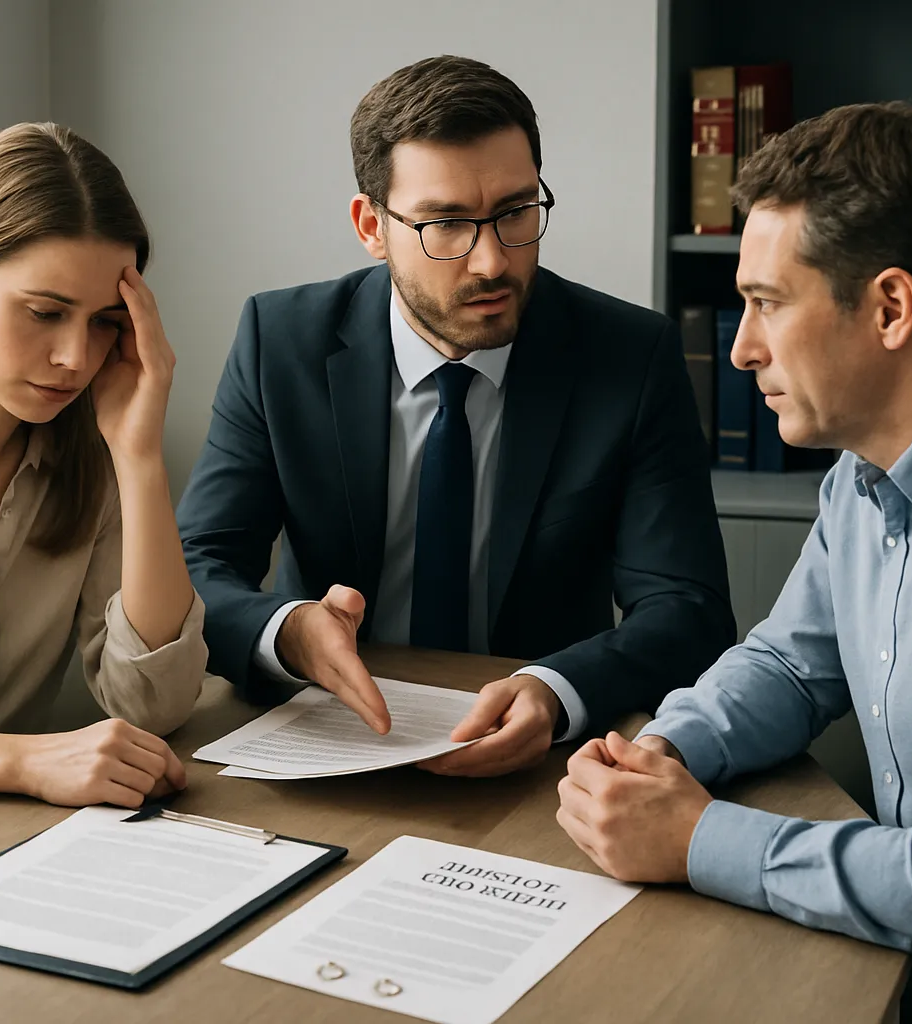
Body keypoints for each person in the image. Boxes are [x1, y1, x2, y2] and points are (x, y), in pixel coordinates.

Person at [178, 55, 734, 777]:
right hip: (324, 737)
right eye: (445, 224)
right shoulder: (281, 342)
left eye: (515, 212)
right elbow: (202, 564)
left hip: (539, 757)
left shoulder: (629, 356)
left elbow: (687, 608)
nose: (490, 263)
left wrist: (556, 689)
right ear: (370, 227)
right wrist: (286, 635)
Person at [555, 101, 912, 1017]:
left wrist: (702, 840)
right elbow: (790, 665)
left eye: (766, 304)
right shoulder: (859, 479)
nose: (739, 348)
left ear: (888, 307)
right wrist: (657, 755)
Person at [0, 123, 208, 808]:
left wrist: (138, 458)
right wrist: (21, 763)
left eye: (105, 321)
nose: (76, 355)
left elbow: (154, 702)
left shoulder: (87, 463)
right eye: (46, 312)